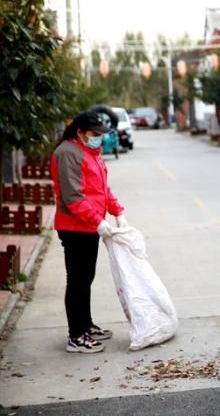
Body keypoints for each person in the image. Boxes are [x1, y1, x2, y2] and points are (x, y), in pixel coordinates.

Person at [51, 110, 128, 353]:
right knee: (77, 282)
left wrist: (118, 212)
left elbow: (102, 189)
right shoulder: (67, 153)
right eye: (95, 134)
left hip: (89, 226)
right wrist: (98, 221)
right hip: (75, 227)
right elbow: (72, 196)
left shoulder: (89, 152)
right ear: (81, 133)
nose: (99, 138)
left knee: (86, 279)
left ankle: (85, 325)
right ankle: (76, 336)